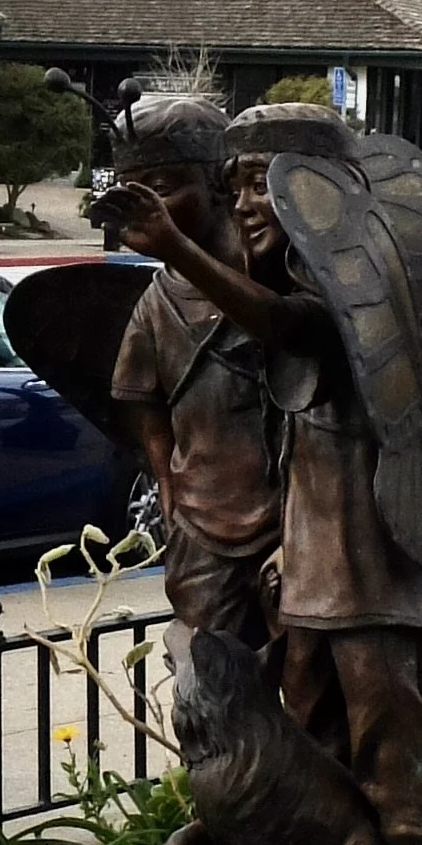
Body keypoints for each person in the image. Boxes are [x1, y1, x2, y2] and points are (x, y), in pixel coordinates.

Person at [98, 103, 422, 845]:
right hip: (332, 540)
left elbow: (287, 331)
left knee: (385, 716)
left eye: (264, 187)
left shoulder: (348, 282)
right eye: (236, 185)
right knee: (361, 716)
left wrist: (172, 246)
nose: (244, 205)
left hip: (366, 543)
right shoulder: (320, 271)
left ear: (319, 196)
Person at [106, 99, 281, 648]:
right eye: (131, 189)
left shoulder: (274, 277)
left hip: (292, 517)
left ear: (217, 185)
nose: (148, 204)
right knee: (208, 679)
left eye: (163, 184)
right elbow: (142, 399)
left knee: (307, 683)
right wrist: (167, 485)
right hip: (201, 519)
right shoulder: (156, 302)